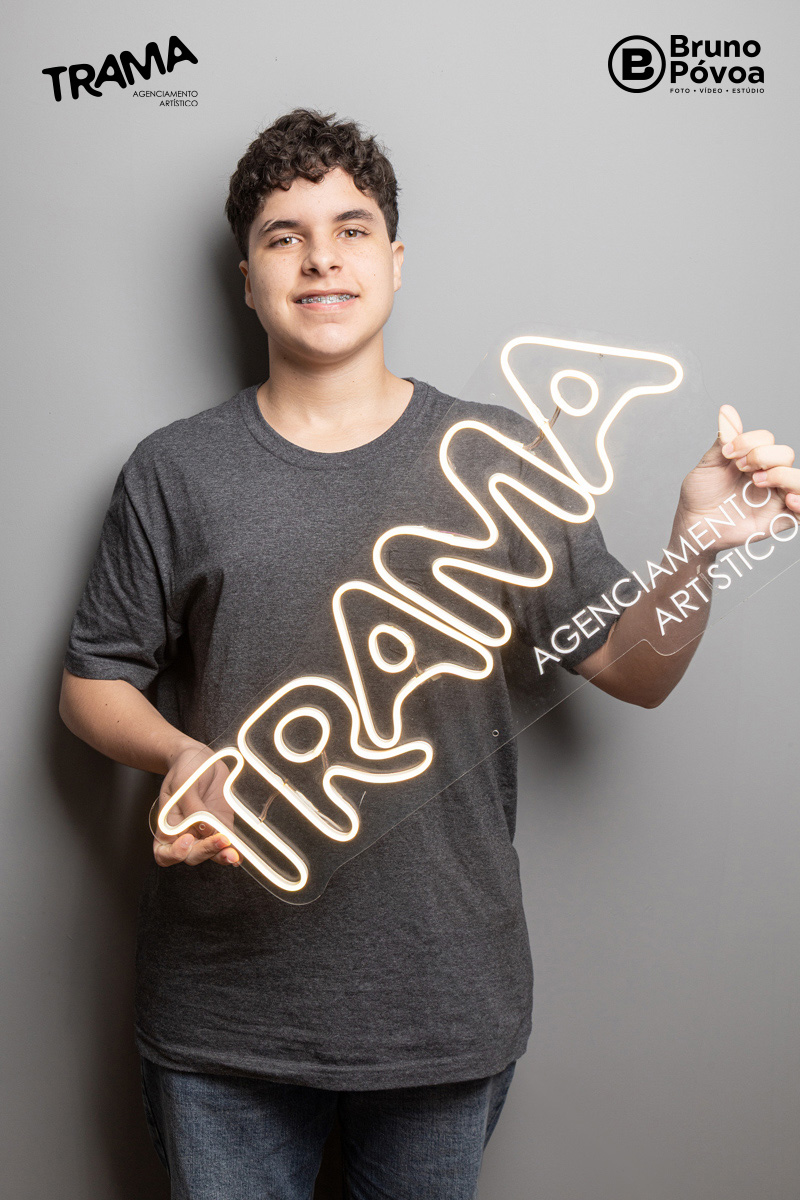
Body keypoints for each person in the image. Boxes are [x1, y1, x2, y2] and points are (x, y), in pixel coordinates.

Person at [59, 108, 800, 1200]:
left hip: (441, 1003)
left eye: (351, 230)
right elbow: (92, 682)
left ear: (395, 263)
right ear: (248, 279)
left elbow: (634, 672)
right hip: (223, 1010)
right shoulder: (175, 471)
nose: (321, 258)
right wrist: (178, 755)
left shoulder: (499, 458)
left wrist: (694, 547)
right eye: (284, 237)